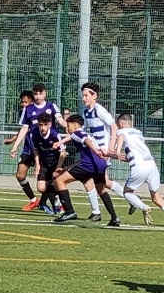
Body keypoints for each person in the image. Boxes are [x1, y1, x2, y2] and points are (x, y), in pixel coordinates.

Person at [110, 113, 164, 226]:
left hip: (139, 166)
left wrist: (117, 151)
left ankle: (143, 206)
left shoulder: (121, 131)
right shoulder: (138, 133)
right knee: (157, 198)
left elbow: (121, 136)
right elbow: (134, 154)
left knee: (127, 192)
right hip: (151, 165)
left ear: (120, 124)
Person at [52, 113, 120, 226]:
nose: (67, 128)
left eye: (68, 125)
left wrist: (96, 151)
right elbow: (84, 158)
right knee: (101, 189)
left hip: (89, 165)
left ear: (75, 125)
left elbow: (86, 141)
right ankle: (114, 218)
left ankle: (69, 211)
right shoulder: (86, 134)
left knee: (59, 180)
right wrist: (65, 168)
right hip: (100, 164)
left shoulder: (76, 133)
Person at [9, 83, 67, 212]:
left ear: (45, 93)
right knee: (20, 175)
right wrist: (15, 145)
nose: (38, 96)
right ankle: (34, 200)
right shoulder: (28, 109)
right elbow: (24, 128)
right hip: (31, 147)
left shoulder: (51, 106)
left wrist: (69, 127)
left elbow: (60, 120)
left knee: (49, 179)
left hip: (47, 149)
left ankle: (54, 203)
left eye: (40, 93)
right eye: (36, 93)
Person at [80, 82, 121, 222]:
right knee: (103, 183)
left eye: (86, 95)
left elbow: (114, 126)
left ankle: (97, 212)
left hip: (102, 152)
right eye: (83, 95)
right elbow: (84, 131)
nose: (83, 98)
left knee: (91, 180)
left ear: (94, 96)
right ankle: (131, 199)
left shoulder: (99, 110)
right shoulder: (86, 112)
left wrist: (111, 147)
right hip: (95, 151)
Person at [29, 113, 66, 215]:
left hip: (56, 162)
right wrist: (37, 164)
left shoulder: (55, 134)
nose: (43, 128)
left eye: (45, 125)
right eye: (40, 125)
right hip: (44, 162)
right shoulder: (34, 133)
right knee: (41, 187)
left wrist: (58, 168)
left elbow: (63, 152)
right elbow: (35, 150)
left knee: (56, 184)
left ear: (50, 124)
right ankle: (47, 202)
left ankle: (57, 205)